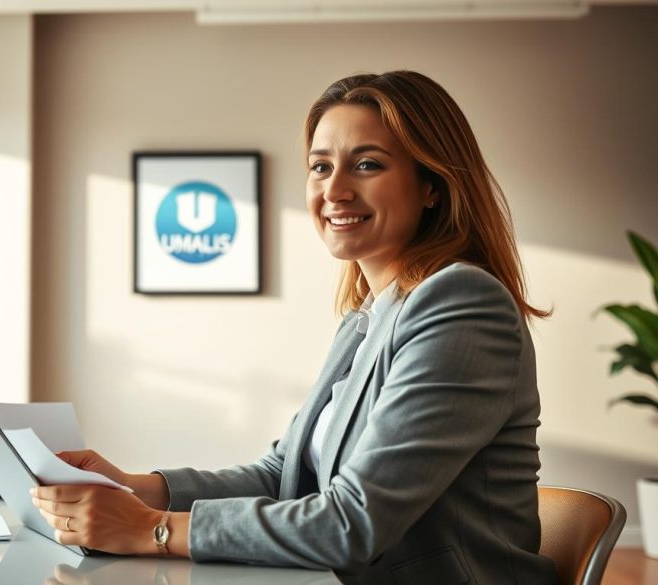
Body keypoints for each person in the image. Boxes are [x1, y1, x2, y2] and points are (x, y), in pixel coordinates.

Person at [31, 70, 559, 585]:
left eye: (368, 165)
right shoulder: (369, 316)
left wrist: (155, 531)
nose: (336, 190)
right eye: (320, 167)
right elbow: (282, 475)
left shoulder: (461, 301)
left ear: (432, 187)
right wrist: (137, 489)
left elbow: (353, 524)